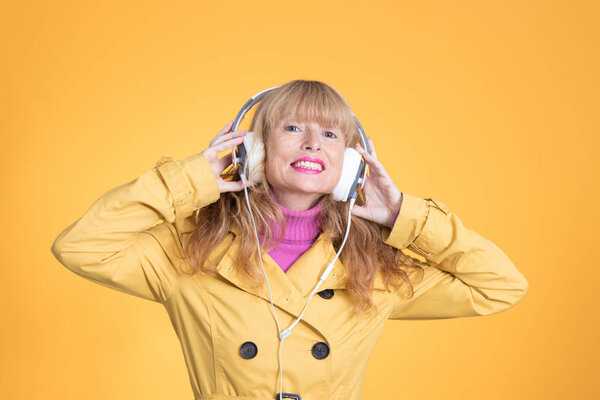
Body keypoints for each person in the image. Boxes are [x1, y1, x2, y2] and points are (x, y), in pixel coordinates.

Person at [50, 79, 529, 400]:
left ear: (351, 164)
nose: (312, 144)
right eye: (293, 127)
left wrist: (405, 215)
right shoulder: (190, 250)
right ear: (256, 150)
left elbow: (501, 286)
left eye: (330, 134)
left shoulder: (376, 265)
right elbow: (81, 245)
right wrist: (191, 180)